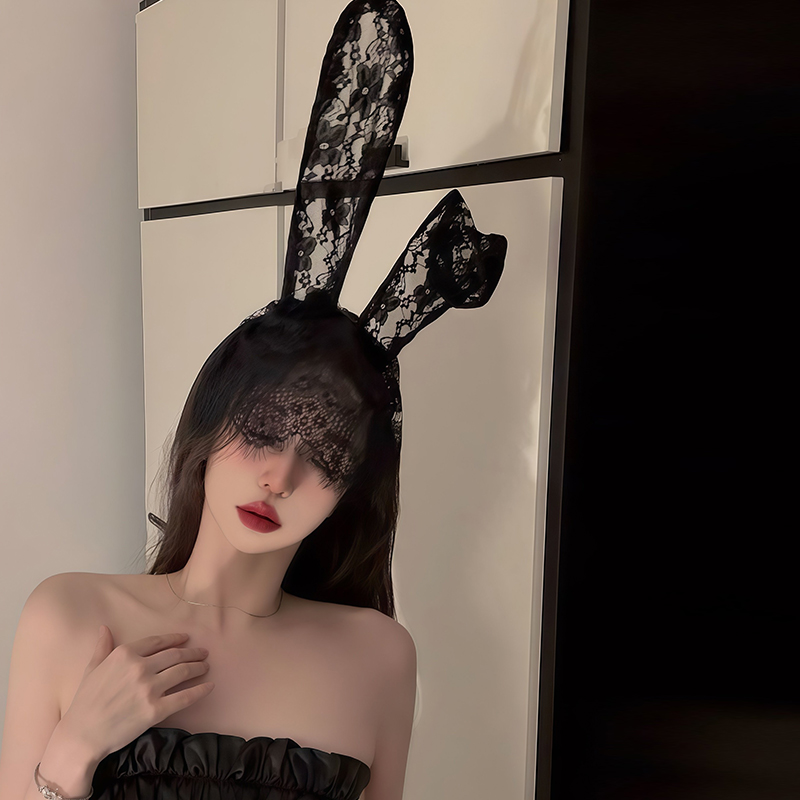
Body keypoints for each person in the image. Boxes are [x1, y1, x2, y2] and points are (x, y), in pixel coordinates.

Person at [0, 1, 507, 798]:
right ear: (212, 418)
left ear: (352, 486)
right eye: (268, 427)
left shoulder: (379, 657)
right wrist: (75, 751)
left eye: (327, 454)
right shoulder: (69, 616)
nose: (281, 476)